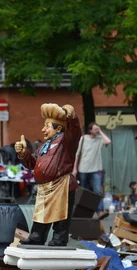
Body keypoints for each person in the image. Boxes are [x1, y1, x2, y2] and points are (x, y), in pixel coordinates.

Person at [16, 103, 82, 247]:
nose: (43, 129)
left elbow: (75, 132)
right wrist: (23, 153)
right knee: (41, 213)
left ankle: (59, 237)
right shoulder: (44, 147)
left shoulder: (66, 142)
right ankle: (36, 236)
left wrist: (72, 118)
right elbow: (32, 163)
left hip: (61, 184)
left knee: (61, 215)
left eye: (47, 126)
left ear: (58, 128)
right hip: (45, 187)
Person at [76, 122, 111, 197]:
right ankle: (83, 208)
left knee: (98, 191)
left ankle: (99, 209)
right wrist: (74, 169)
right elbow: (77, 154)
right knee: (83, 190)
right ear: (90, 130)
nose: (97, 130)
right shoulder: (83, 138)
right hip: (83, 168)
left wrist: (100, 132)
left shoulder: (99, 139)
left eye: (98, 129)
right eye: (95, 129)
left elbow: (108, 141)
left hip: (95, 169)